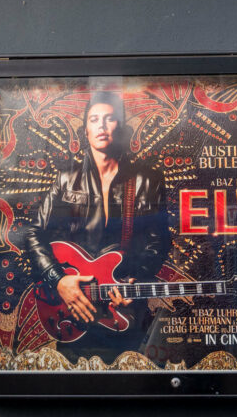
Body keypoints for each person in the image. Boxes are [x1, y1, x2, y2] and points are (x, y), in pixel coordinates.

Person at [22, 90, 169, 360]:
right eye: (94, 119)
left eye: (110, 119)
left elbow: (157, 242)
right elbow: (33, 232)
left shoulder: (148, 181)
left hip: (123, 311)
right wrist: (58, 280)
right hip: (72, 308)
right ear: (85, 131)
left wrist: (137, 279)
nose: (101, 126)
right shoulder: (65, 180)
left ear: (121, 129)